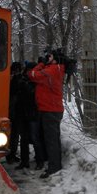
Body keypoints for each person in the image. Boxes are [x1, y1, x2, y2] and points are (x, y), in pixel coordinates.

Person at [27, 50, 66, 178]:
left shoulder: (52, 70)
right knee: (51, 140)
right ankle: (54, 165)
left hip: (51, 110)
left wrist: (41, 64)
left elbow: (32, 75)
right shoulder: (54, 69)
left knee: (51, 141)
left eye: (49, 56)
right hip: (50, 109)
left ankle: (54, 167)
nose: (46, 58)